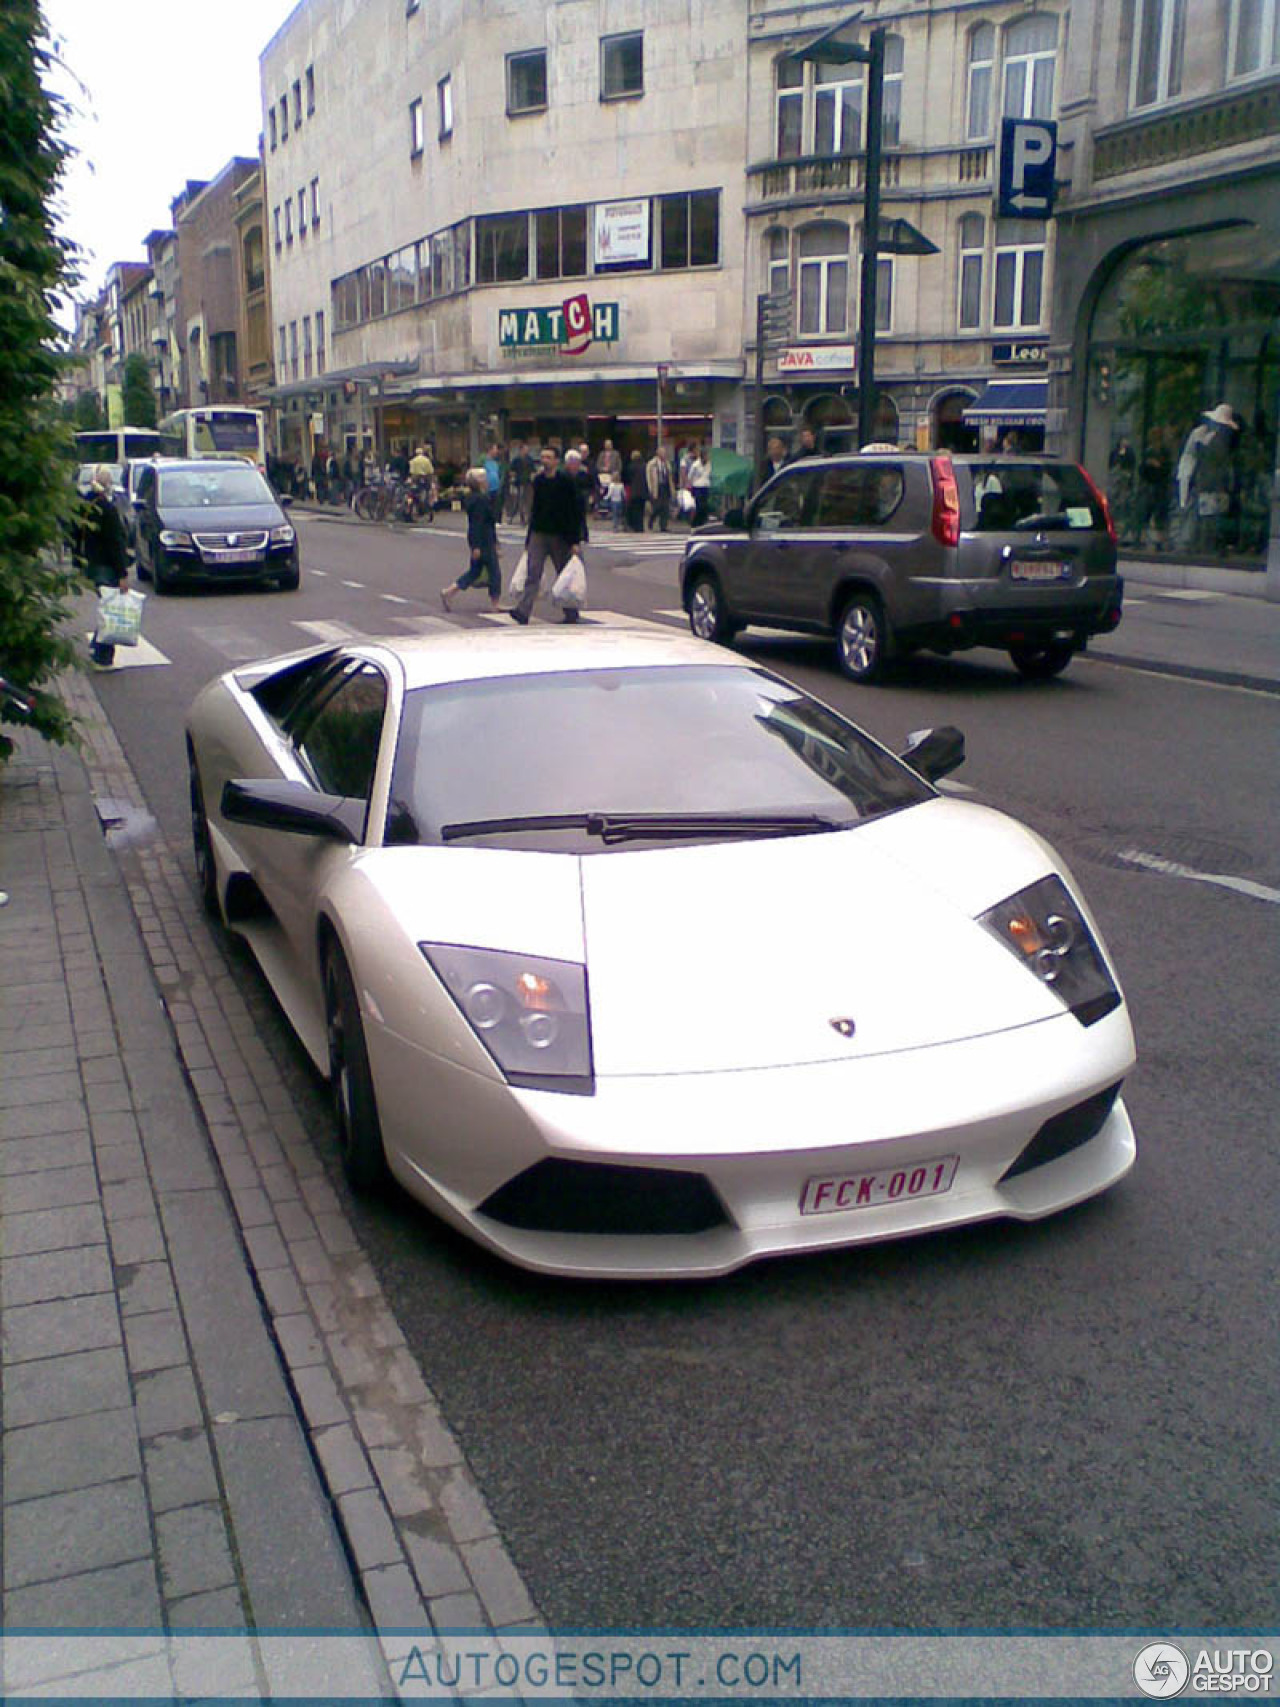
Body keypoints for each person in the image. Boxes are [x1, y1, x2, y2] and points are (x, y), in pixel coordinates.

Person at [511, 445, 586, 625]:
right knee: (533, 572)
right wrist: (529, 538)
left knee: (564, 572)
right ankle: (523, 611)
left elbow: (575, 511)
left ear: (556, 461)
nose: (544, 460)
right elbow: (534, 509)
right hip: (539, 532)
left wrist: (575, 540)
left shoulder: (566, 481)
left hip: (560, 535)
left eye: (548, 457)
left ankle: (571, 611)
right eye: (543, 457)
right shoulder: (538, 481)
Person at [81, 466, 130, 668]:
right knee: (110, 612)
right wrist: (122, 573)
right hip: (107, 566)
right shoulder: (108, 509)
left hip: (91, 563)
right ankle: (103, 656)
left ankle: (97, 649)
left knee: (106, 609)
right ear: (108, 484)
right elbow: (114, 543)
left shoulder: (85, 504)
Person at [441, 469, 502, 611]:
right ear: (479, 482)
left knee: (475, 571)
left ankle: (448, 592)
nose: (487, 480)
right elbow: (479, 523)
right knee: (494, 571)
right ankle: (495, 604)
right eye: (484, 478)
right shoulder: (481, 500)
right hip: (483, 540)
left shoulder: (474, 498)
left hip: (481, 539)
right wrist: (477, 546)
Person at [565, 448, 594, 544]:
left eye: (576, 462)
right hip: (568, 499)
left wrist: (590, 495)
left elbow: (590, 484)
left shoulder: (583, 473)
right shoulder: (564, 474)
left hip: (580, 499)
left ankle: (583, 536)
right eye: (572, 462)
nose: (574, 465)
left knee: (581, 518)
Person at [645, 445, 673, 531]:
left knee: (665, 508)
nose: (664, 455)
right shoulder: (652, 464)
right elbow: (648, 477)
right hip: (656, 487)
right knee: (657, 507)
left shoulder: (667, 464)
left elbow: (670, 476)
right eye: (662, 453)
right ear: (658, 453)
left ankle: (663, 526)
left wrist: (672, 489)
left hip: (665, 487)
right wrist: (650, 489)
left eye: (664, 453)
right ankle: (651, 520)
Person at [687, 443, 712, 526]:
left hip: (705, 486)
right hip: (697, 487)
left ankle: (703, 522)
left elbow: (708, 474)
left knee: (705, 506)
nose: (708, 457)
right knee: (699, 506)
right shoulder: (696, 465)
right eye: (706, 455)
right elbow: (690, 476)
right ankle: (695, 523)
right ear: (702, 456)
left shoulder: (708, 464)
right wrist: (689, 485)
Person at [624, 449, 647, 531]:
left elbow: (628, 479)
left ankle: (636, 526)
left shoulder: (631, 466)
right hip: (643, 491)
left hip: (634, 491)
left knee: (635, 509)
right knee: (641, 510)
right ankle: (641, 526)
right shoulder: (644, 466)